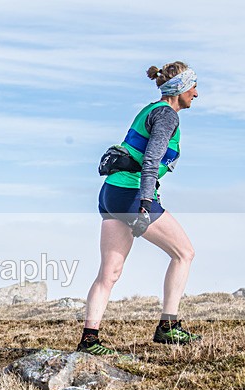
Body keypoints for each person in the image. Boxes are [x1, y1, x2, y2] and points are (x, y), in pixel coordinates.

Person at [78, 62, 201, 355]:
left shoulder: (148, 109)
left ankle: (89, 340)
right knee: (184, 253)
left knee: (109, 273)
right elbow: (150, 160)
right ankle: (168, 327)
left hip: (112, 194)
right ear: (180, 89)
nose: (196, 94)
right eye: (193, 86)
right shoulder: (167, 116)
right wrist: (146, 202)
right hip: (133, 195)